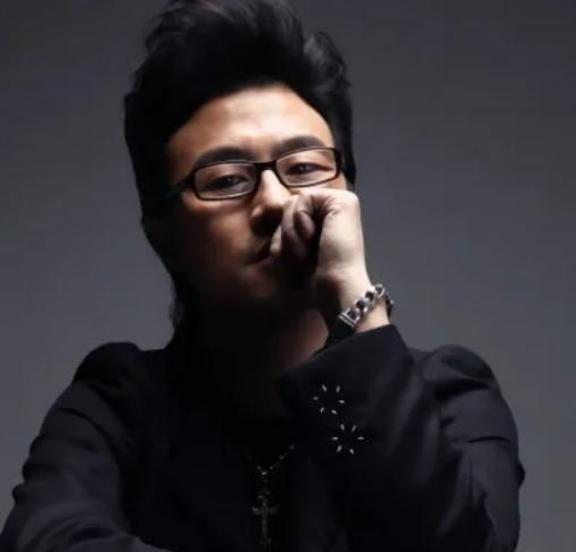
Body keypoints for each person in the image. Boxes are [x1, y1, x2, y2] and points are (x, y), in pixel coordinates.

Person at [0, 0, 525, 550]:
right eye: (226, 179)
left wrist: (355, 302)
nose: (275, 200)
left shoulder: (449, 396)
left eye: (306, 168)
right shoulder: (120, 404)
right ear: (163, 234)